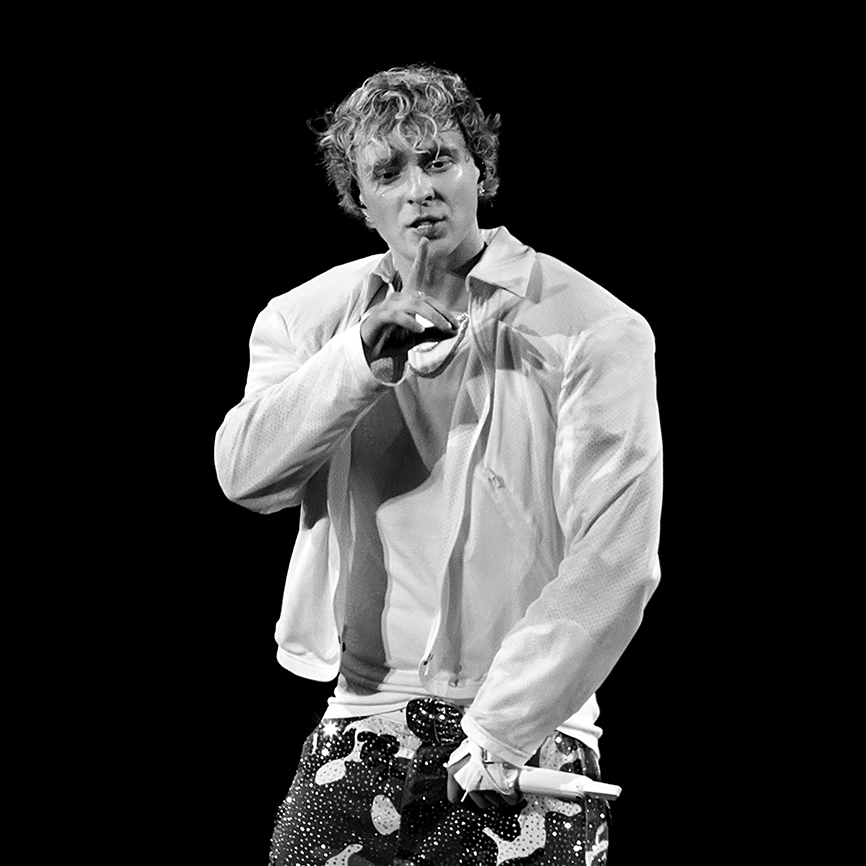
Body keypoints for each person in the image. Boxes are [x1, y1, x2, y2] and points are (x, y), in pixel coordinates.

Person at [214, 64, 662, 866]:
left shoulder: (591, 327)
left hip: (526, 731)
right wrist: (357, 359)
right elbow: (248, 476)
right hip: (365, 719)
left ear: (478, 171)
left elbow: (618, 558)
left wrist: (502, 730)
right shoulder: (306, 320)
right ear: (360, 198)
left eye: (439, 160)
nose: (419, 189)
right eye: (389, 171)